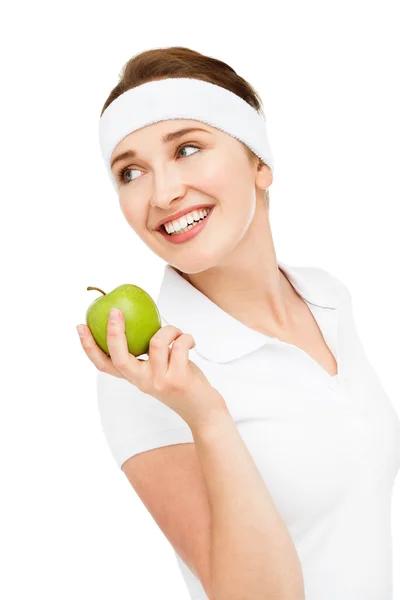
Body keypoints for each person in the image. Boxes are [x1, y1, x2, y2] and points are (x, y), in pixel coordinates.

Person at [77, 46, 400, 600]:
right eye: (130, 171)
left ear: (260, 163)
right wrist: (205, 413)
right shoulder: (146, 375)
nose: (163, 193)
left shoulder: (327, 297)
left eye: (188, 148)